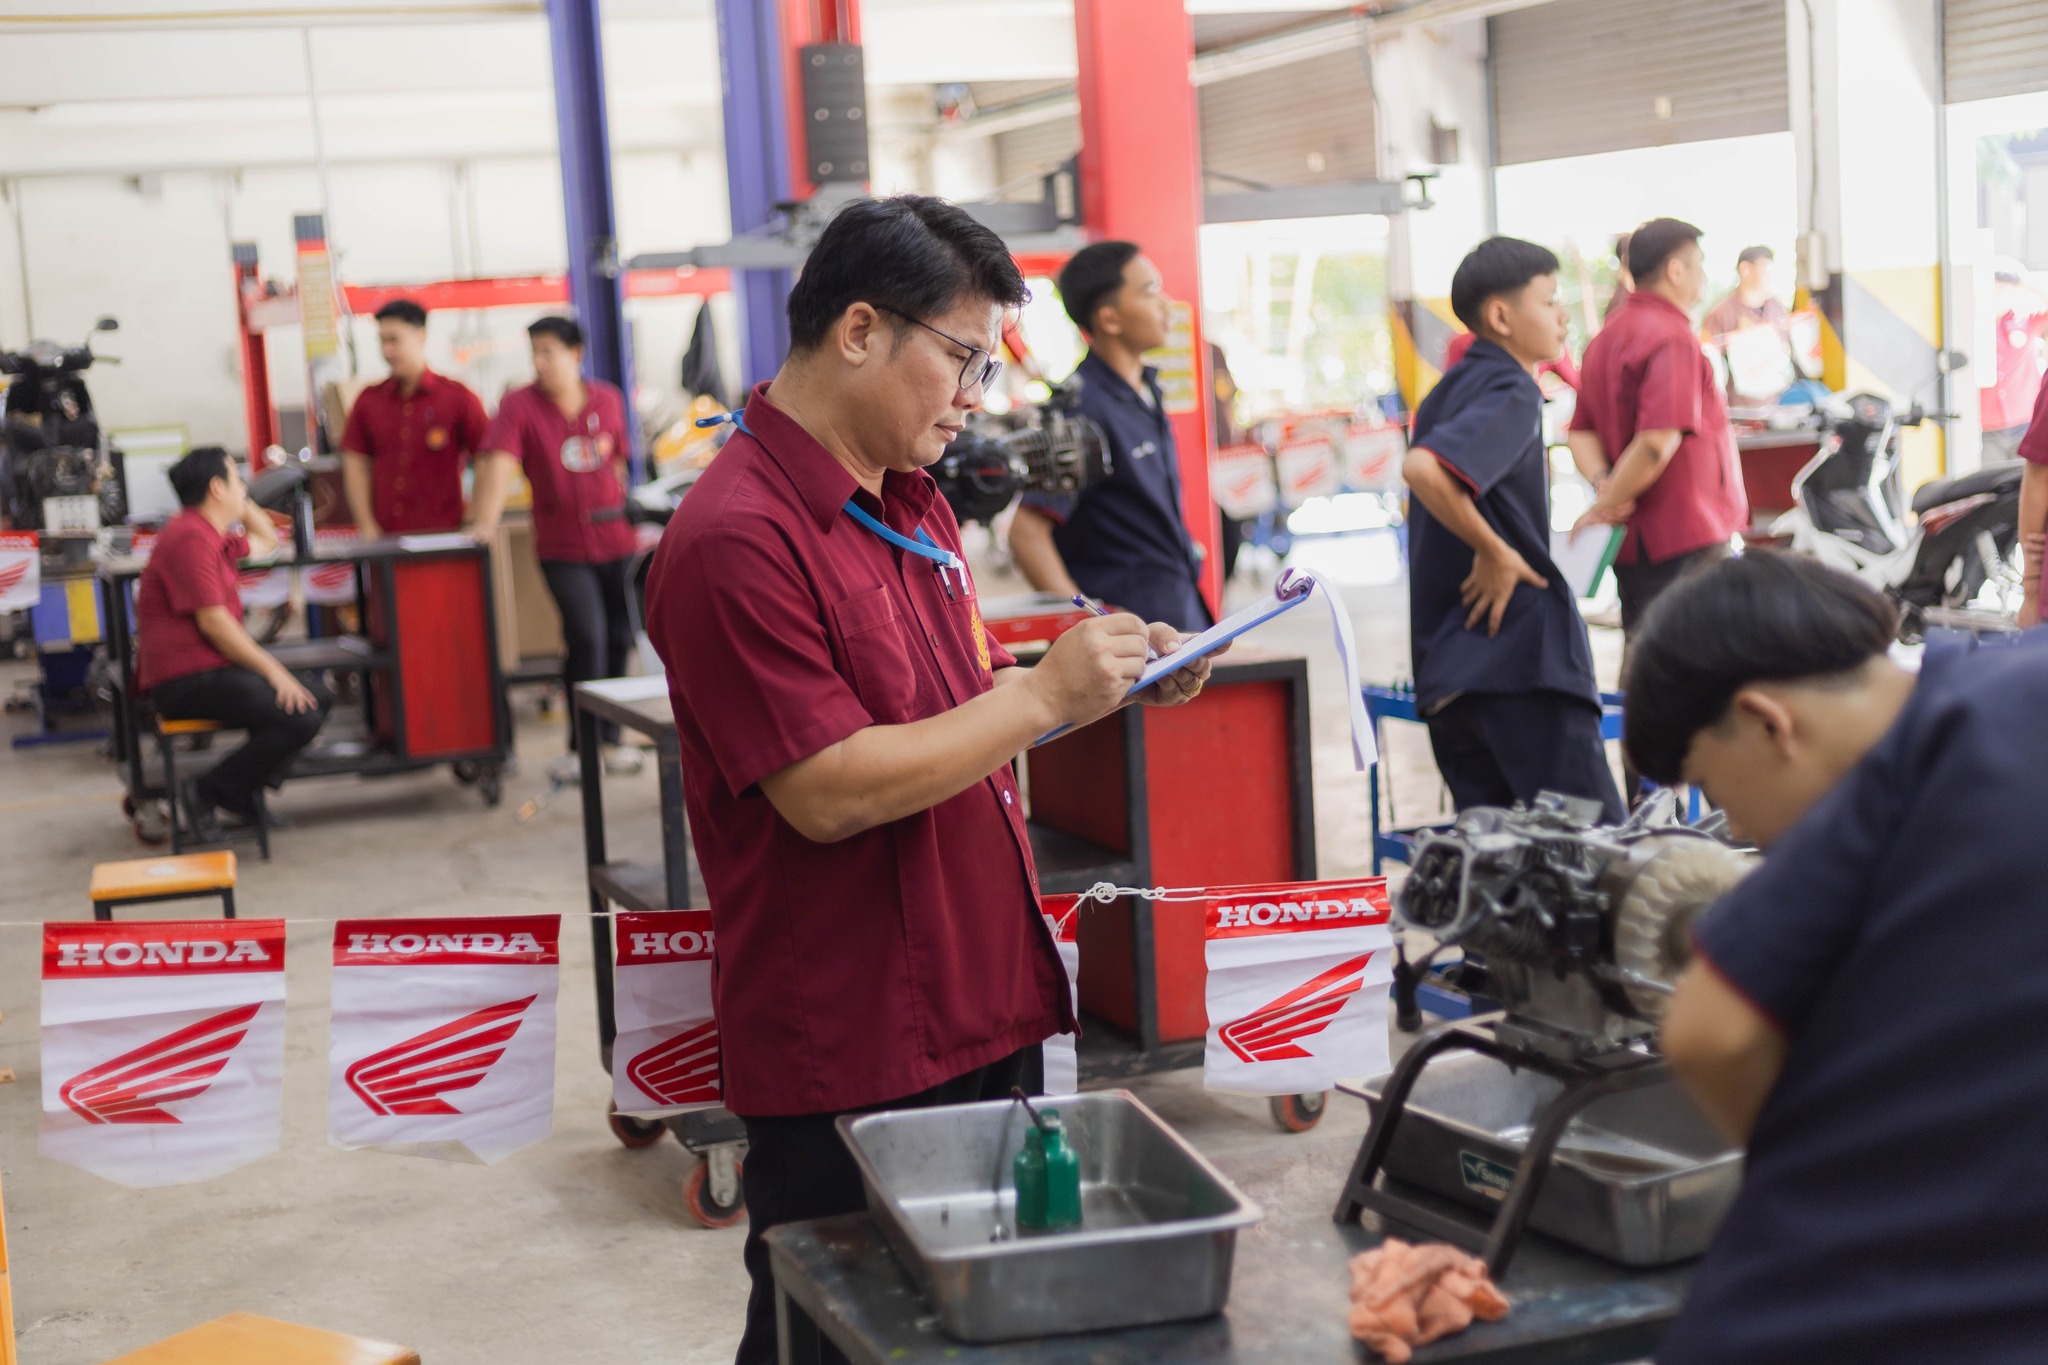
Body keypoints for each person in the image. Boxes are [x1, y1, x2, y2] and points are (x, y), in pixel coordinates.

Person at [643, 195, 1215, 1365]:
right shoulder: (736, 539)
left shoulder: (908, 504)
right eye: (961, 358)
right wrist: (1037, 699)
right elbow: (829, 786)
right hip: (853, 1035)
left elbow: (944, 697)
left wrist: (1087, 674)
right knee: (827, 1328)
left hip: (975, 993)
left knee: (962, 1325)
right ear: (859, 329)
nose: (976, 397)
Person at [1624, 550, 2048, 1362]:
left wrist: (1827, 1166)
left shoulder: (1903, 767)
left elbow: (1707, 1032)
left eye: (1713, 788)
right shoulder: (2014, 683)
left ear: (1765, 721)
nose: (1736, 830)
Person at [1401, 237, 1623, 823]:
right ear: (1501, 316)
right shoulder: (1514, 389)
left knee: (1505, 878)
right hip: (1522, 668)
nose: (1562, 316)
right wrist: (1495, 551)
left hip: (1452, 674)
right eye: (1550, 301)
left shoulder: (1445, 392)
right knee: (1593, 859)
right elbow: (1425, 469)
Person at [468, 316, 643, 781]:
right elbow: (499, 463)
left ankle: (613, 742)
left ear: (575, 354)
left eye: (549, 352)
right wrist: (482, 525)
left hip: (617, 542)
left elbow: (622, 462)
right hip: (562, 548)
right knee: (585, 635)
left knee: (619, 639)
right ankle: (581, 747)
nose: (540, 363)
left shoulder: (608, 400)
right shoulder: (519, 406)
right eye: (535, 353)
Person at [1007, 241, 1213, 632]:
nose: (1166, 302)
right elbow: (1027, 533)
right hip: (1131, 651)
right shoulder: (1080, 410)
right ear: (1110, 319)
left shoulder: (1146, 390)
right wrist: (1091, 627)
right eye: (1150, 290)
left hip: (1178, 619)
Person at [1568, 217, 1748, 640]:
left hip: (1635, 541)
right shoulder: (1672, 338)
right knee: (1695, 663)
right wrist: (1607, 501)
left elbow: (1580, 432)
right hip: (1685, 535)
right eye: (1699, 264)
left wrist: (1605, 486)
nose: (1703, 276)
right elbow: (1656, 442)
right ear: (1675, 270)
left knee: (1647, 649)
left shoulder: (1603, 339)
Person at [138, 447, 331, 842]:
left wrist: (241, 504)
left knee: (317, 698)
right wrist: (274, 671)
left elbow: (266, 541)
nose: (245, 486)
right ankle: (207, 792)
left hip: (214, 670)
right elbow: (215, 624)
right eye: (237, 479)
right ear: (216, 487)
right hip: (186, 681)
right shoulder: (189, 538)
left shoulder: (210, 534)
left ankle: (239, 792)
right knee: (300, 713)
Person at [340, 298, 490, 537]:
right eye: (382, 341)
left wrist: (477, 517)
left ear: (420, 335)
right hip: (385, 542)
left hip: (444, 538)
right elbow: (355, 463)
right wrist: (367, 526)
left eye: (394, 340)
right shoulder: (368, 401)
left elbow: (488, 457)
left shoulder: (457, 398)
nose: (386, 351)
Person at [1702, 245, 1795, 406]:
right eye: (1767, 270)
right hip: (1740, 413)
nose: (1772, 276)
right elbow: (1707, 362)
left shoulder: (1776, 308)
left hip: (1777, 407)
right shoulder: (1721, 313)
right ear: (1745, 270)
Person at [1979, 264, 2048, 462]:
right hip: (1989, 427)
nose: (1999, 292)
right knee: (1992, 486)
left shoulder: (2025, 321)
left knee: (2023, 482)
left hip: (2024, 422)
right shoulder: (1974, 324)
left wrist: (2024, 282)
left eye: (2004, 287)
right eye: (1995, 287)